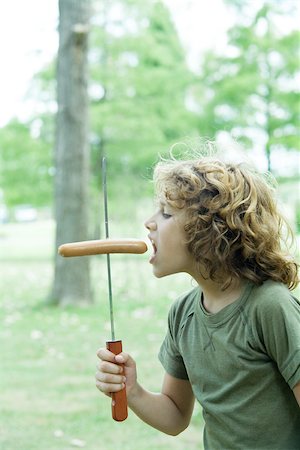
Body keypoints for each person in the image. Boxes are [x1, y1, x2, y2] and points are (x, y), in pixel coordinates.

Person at [95, 153, 300, 449]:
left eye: (166, 213)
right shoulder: (183, 313)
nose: (149, 223)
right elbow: (175, 415)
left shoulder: (270, 306)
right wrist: (133, 390)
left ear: (210, 229)